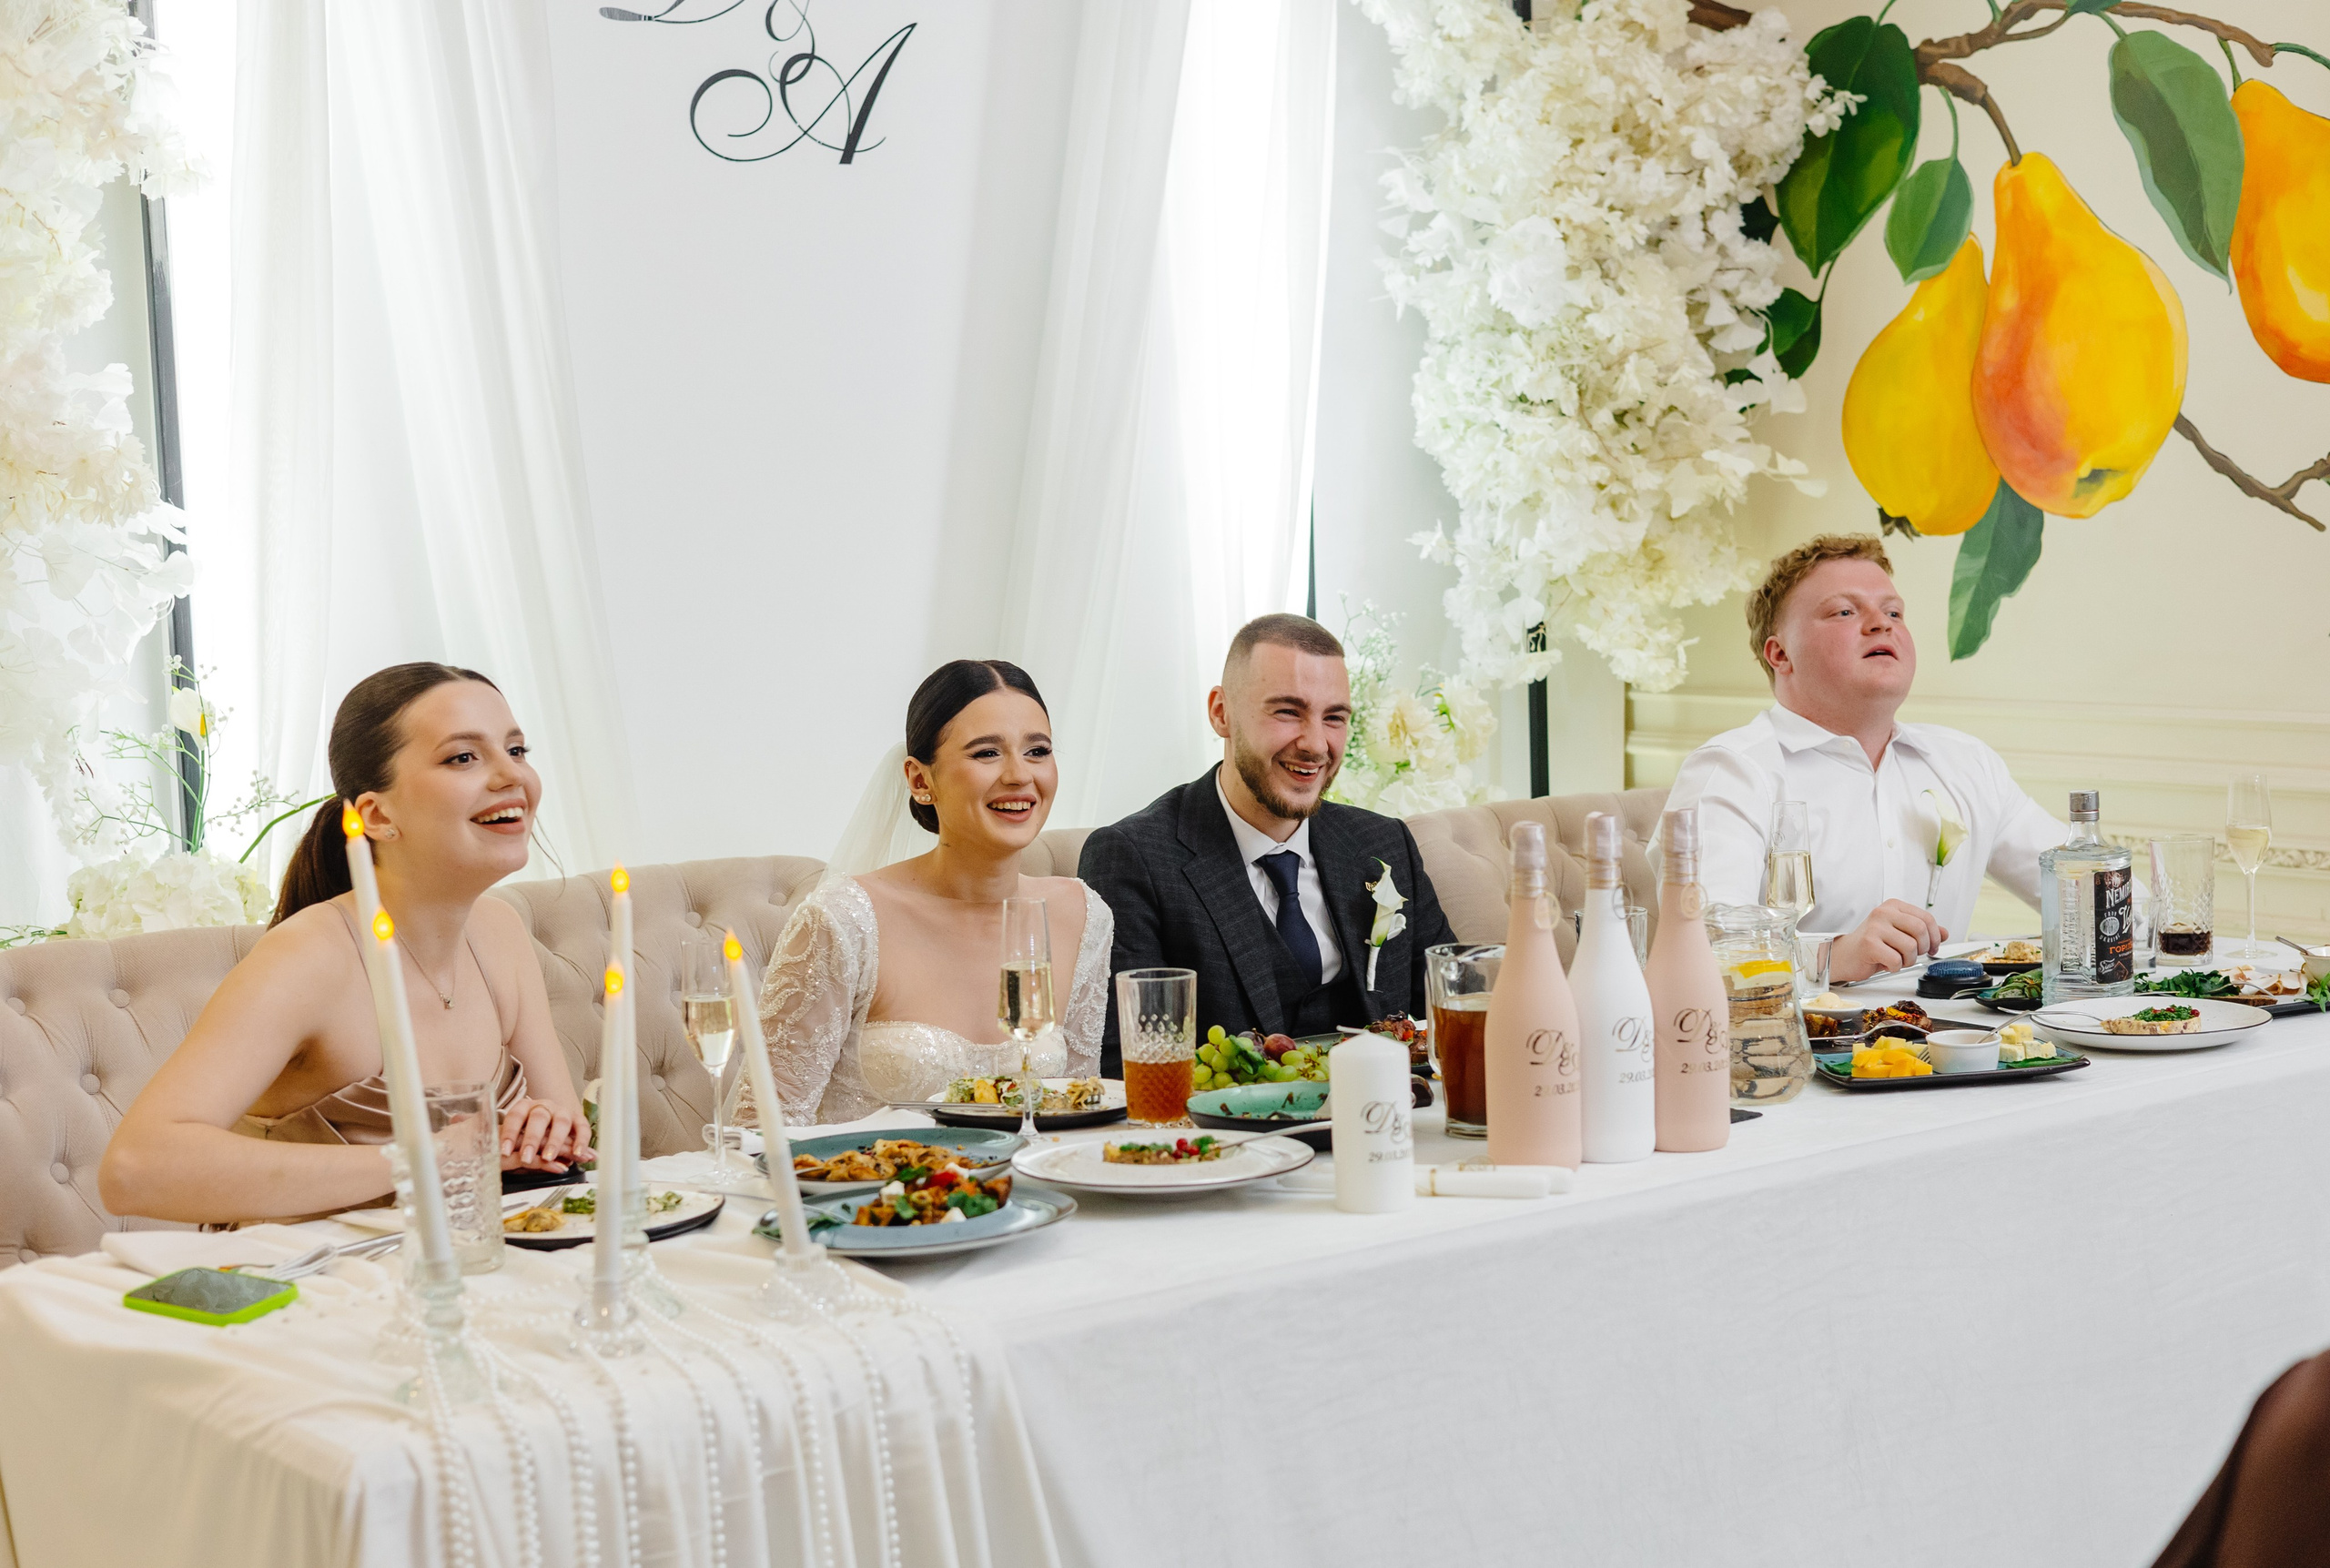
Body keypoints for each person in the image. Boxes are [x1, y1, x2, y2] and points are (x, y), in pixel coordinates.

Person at [100, 663, 591, 1226]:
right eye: (463, 757)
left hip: (468, 1271)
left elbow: (564, 1144)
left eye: (517, 750)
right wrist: (429, 1159)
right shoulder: (309, 959)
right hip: (308, 1289)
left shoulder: (500, 932)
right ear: (377, 816)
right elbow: (135, 1170)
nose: (512, 777)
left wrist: (545, 1130)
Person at [1663, 535, 2064, 984]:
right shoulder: (1732, 772)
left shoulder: (1967, 763)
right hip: (1790, 1048)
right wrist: (1830, 958)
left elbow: (2091, 897)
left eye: (1894, 612)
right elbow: (1700, 954)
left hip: (1952, 1043)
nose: (1882, 624)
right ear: (1780, 654)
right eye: (1844, 612)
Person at [1080, 613, 1455, 1070]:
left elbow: (1454, 1004)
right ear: (1222, 712)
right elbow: (1129, 1064)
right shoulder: (1132, 858)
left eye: (1334, 717)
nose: (1316, 744)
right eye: (1288, 711)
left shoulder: (1383, 842)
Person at [748, 660, 1114, 1126]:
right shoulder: (844, 920)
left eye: (1037, 750)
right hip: (866, 1192)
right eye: (987, 754)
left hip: (1023, 1196)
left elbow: (1075, 1112)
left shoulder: (1081, 915)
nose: (1020, 775)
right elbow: (761, 1131)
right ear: (921, 780)